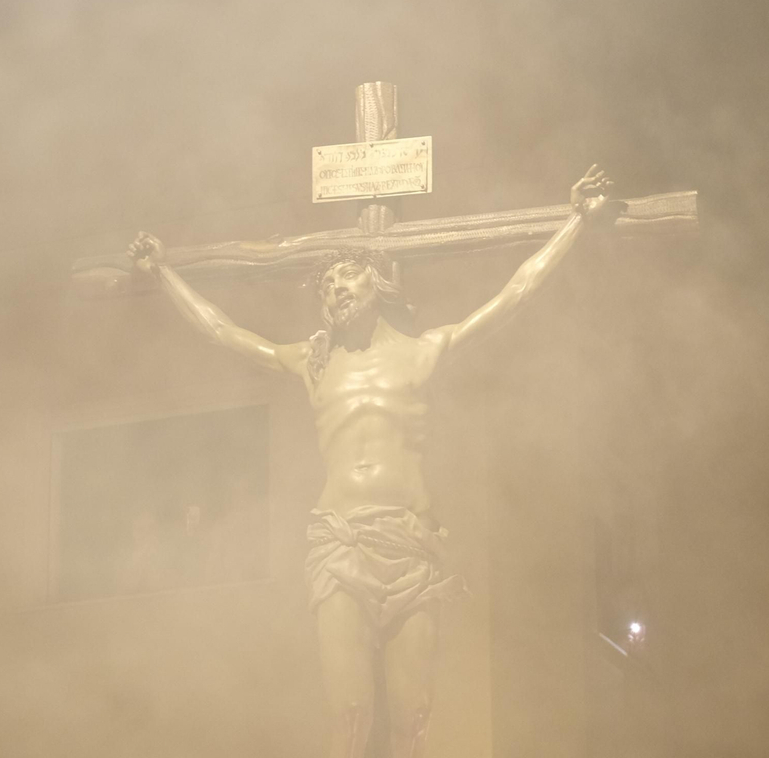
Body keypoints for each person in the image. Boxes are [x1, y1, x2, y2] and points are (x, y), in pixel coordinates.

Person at [127, 165, 615, 758]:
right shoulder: (313, 364)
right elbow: (223, 331)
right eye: (327, 284)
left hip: (412, 545)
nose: (335, 289)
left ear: (377, 283)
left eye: (347, 275)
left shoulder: (424, 352)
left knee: (413, 717)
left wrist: (574, 223)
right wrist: (165, 273)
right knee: (350, 714)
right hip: (341, 544)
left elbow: (513, 295)